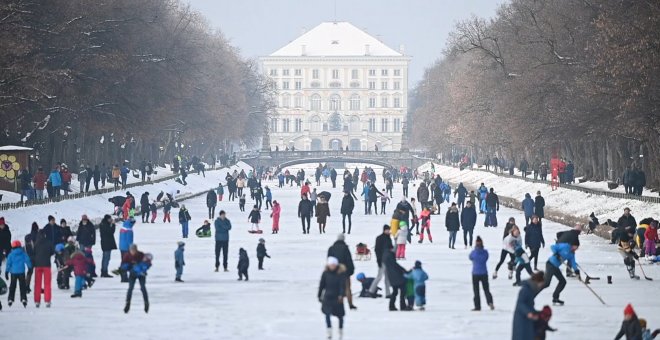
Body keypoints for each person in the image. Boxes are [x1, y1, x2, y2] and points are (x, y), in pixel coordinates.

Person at [318, 256, 346, 340]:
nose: (332, 266)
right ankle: (329, 331)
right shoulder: (325, 273)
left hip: (337, 297)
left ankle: (340, 331)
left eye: (334, 265)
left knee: (340, 315)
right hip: (327, 297)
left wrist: (341, 294)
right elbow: (322, 285)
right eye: (331, 265)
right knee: (327, 314)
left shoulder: (340, 273)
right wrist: (319, 295)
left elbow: (342, 285)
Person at [544, 240, 580, 305]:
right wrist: (557, 253)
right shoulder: (565, 246)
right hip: (550, 264)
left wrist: (576, 271)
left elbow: (573, 263)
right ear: (573, 245)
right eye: (576, 247)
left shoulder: (572, 254)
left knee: (563, 282)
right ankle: (532, 293)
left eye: (577, 247)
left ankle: (555, 298)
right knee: (546, 283)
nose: (576, 248)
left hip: (555, 267)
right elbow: (553, 247)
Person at [512, 271, 546, 340]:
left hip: (527, 320)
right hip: (521, 320)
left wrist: (539, 313)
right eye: (541, 284)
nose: (541, 287)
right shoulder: (525, 290)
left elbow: (529, 306)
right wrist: (528, 313)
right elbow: (520, 303)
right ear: (537, 281)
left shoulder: (530, 290)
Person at [327, 234, 357, 310]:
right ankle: (350, 304)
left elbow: (329, 260)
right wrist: (351, 270)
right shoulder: (345, 248)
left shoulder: (331, 248)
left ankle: (336, 304)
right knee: (347, 288)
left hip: (334, 271)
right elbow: (349, 260)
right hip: (344, 271)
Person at [121, 244, 151, 313]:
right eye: (131, 250)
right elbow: (123, 265)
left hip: (141, 275)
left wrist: (143, 269)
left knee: (143, 288)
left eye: (134, 250)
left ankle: (146, 302)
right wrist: (127, 267)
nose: (133, 252)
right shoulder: (127, 255)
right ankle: (127, 303)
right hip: (132, 274)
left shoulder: (141, 255)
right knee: (130, 288)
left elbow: (147, 263)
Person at [469, 236, 494, 311]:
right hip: (484, 273)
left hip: (475, 273)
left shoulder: (474, 252)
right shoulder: (485, 252)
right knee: (486, 289)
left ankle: (477, 306)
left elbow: (470, 257)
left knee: (476, 291)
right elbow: (486, 258)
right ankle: (490, 302)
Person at [6, 240, 32, 307]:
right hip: (21, 272)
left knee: (12, 286)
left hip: (13, 273)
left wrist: (7, 271)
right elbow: (28, 260)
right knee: (22, 286)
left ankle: (10, 299)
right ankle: (23, 298)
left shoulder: (11, 254)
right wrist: (30, 268)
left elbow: (8, 264)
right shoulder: (23, 253)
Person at [369, 225, 392, 297]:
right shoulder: (379, 238)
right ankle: (371, 290)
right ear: (384, 230)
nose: (388, 231)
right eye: (387, 230)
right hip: (382, 260)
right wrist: (378, 260)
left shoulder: (388, 238)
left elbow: (390, 248)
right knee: (379, 276)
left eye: (389, 230)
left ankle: (388, 293)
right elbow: (377, 250)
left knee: (387, 277)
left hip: (387, 260)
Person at [33, 230, 53, 307]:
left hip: (37, 265)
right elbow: (52, 251)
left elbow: (33, 252)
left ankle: (37, 301)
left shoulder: (36, 243)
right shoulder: (48, 242)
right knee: (47, 284)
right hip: (47, 265)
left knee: (37, 284)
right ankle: (47, 300)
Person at [118, 217, 136, 282]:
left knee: (123, 261)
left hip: (122, 247)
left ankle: (123, 276)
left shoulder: (123, 228)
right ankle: (124, 276)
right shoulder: (129, 230)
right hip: (127, 248)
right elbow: (129, 241)